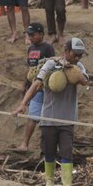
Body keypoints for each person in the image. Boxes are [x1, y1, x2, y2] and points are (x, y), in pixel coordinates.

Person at [15, 38, 89, 186]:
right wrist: (23, 104)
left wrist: (71, 68)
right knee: (48, 151)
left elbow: (84, 81)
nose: (77, 58)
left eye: (80, 56)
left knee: (66, 152)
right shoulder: (50, 65)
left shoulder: (79, 67)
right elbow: (36, 84)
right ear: (66, 51)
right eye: (75, 55)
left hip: (67, 119)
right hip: (48, 117)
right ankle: (49, 183)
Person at [19, 22, 56, 150]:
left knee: (47, 117)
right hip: (33, 87)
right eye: (29, 35)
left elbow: (52, 66)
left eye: (32, 35)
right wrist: (24, 84)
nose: (30, 37)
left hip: (44, 86)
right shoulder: (31, 48)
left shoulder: (48, 48)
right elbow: (29, 68)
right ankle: (25, 143)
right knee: (32, 115)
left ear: (41, 34)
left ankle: (46, 145)